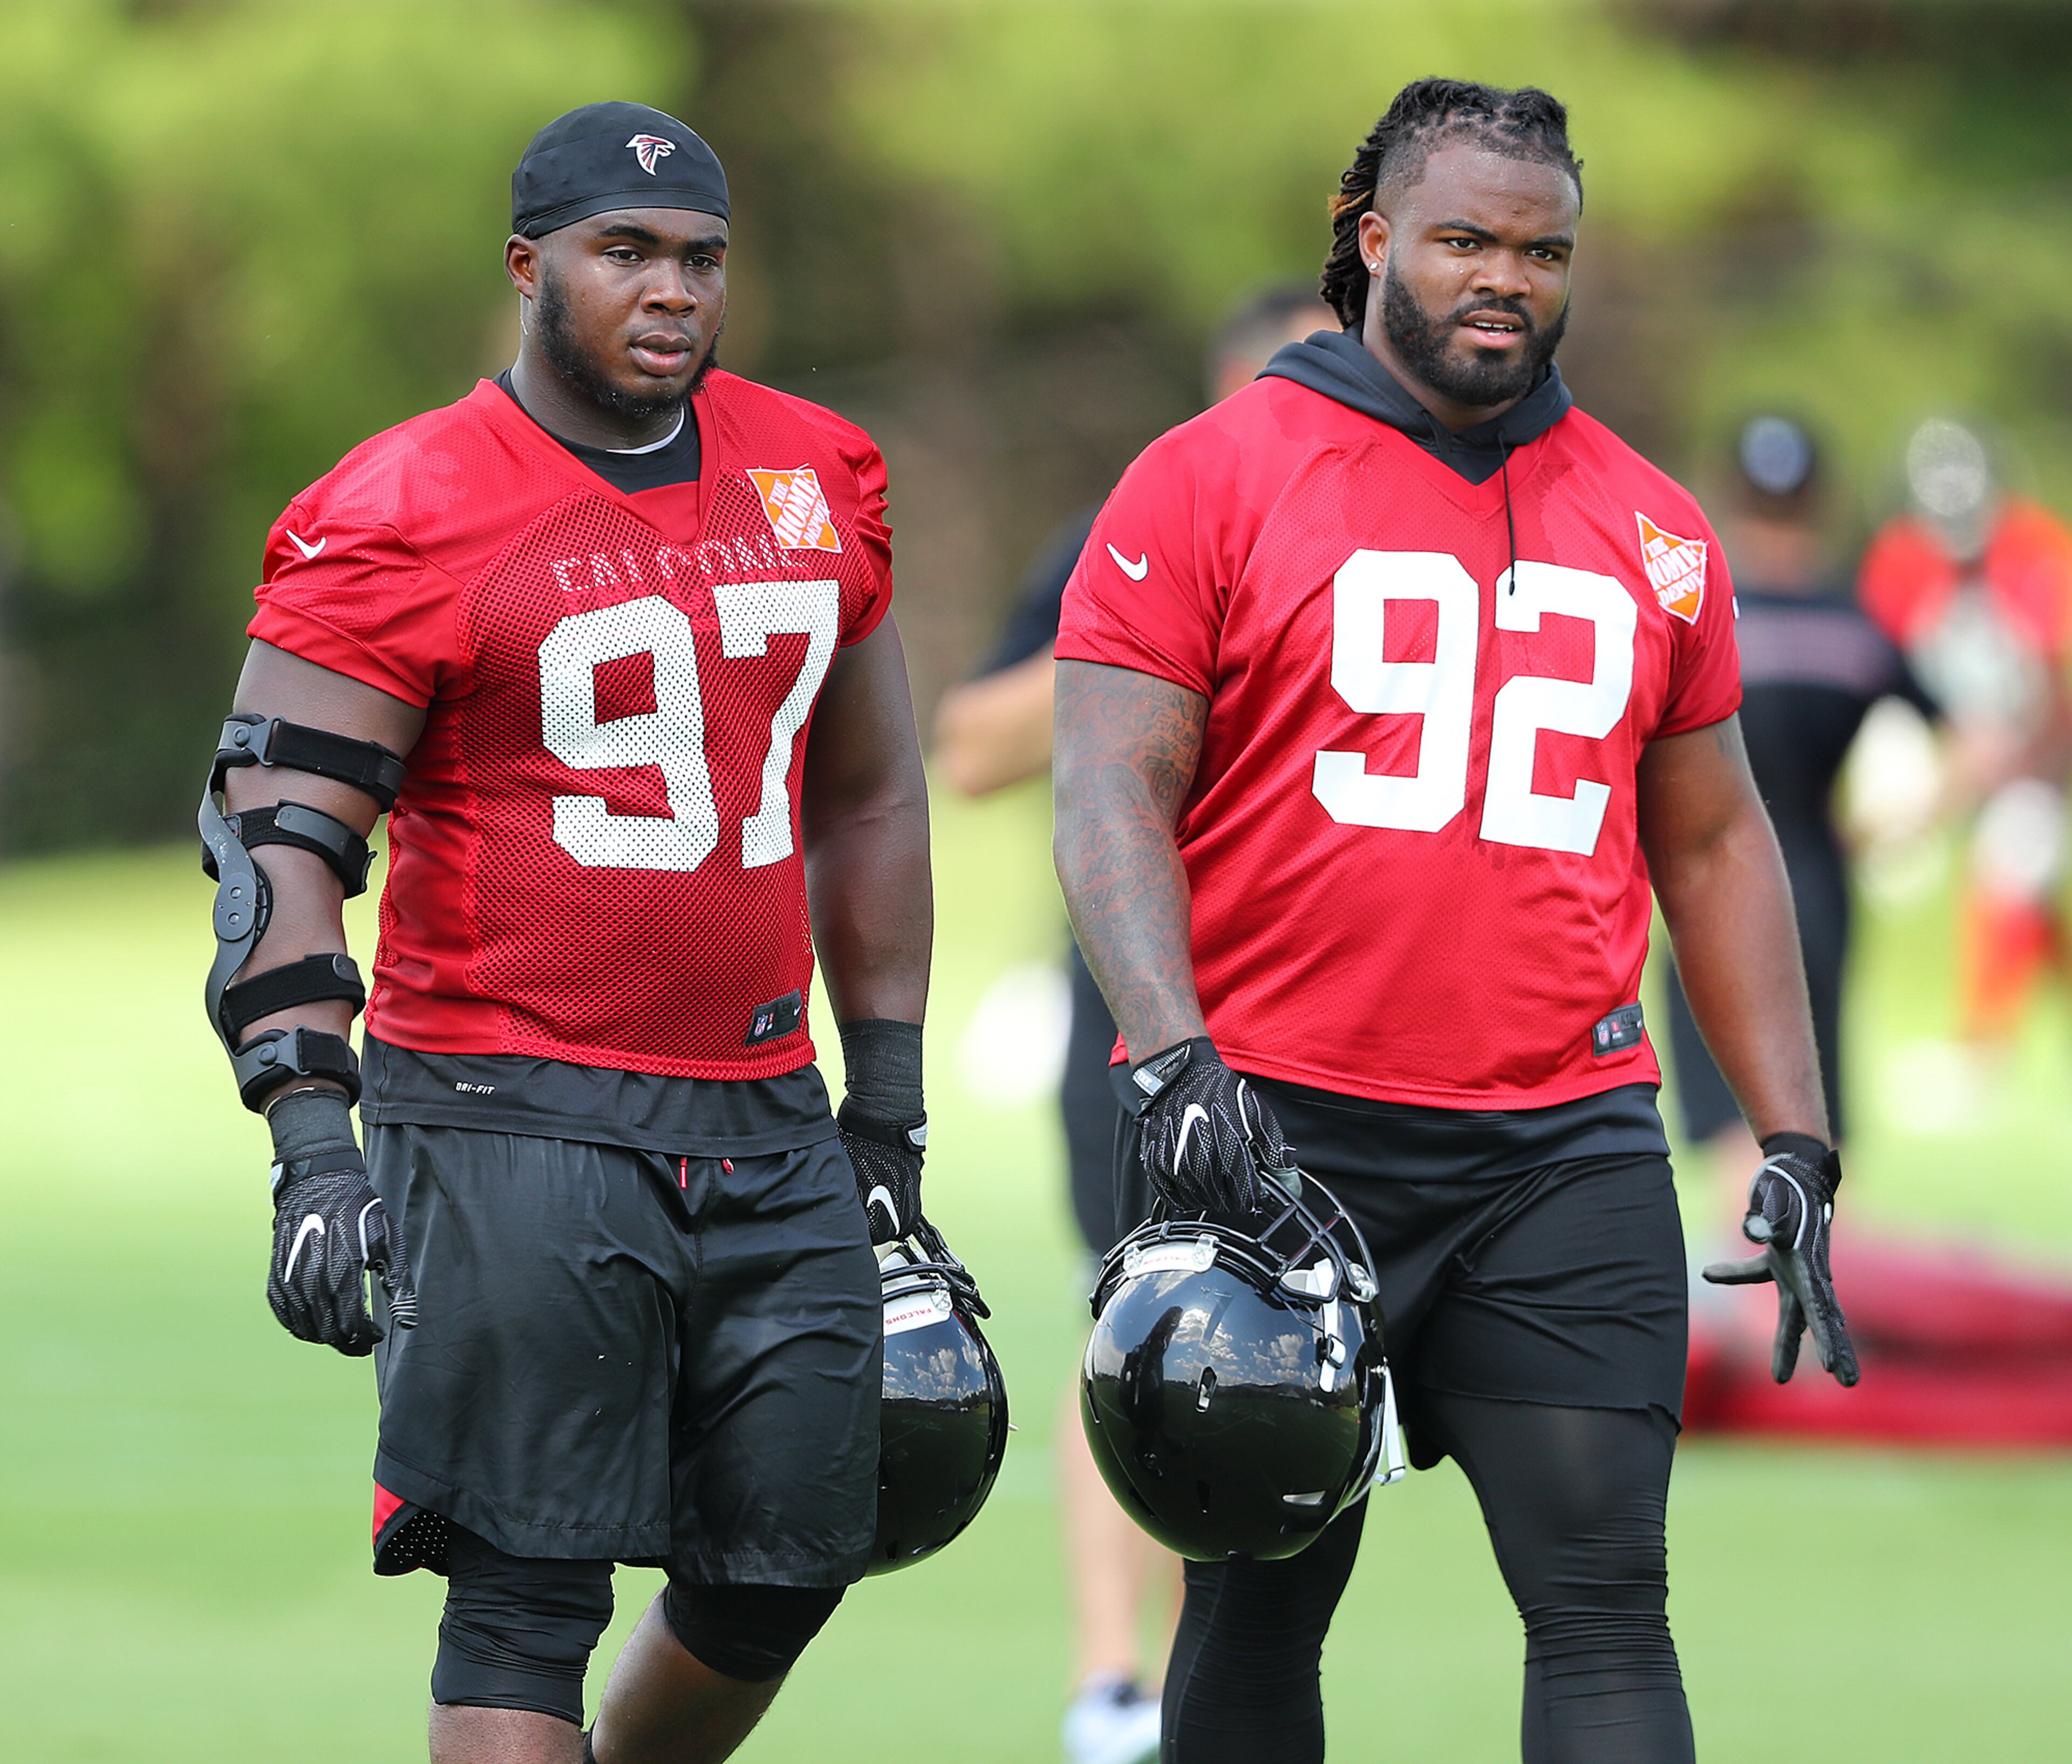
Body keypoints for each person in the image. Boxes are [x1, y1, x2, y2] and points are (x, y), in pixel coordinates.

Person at [1051, 79, 1856, 1764]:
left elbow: (1710, 843)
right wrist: (1174, 1057)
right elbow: (1106, 791)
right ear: (1371, 245)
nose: (1505, 277)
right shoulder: (1212, 474)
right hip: (1273, 1125)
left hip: (1555, 1145)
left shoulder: (1651, 525)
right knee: (1257, 1595)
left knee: (1603, 1599)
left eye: (1541, 250)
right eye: (1465, 240)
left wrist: (1791, 1132)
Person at [198, 102, 931, 1764]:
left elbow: (869, 797)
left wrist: (883, 1096)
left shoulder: (817, 471)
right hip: (506, 1104)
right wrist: (311, 1146)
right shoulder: (402, 505)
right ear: (531, 269)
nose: (670, 291)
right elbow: (272, 842)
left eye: (699, 258)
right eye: (624, 253)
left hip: (765, 1109)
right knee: (527, 1590)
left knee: (801, 1549)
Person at [933, 284, 1331, 1764]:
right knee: (1145, 1323)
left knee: (1304, 1360)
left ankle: (1211, 1688)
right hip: (1144, 1019)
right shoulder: (1146, 525)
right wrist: (1160, 620)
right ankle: (1116, 1691)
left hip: (1336, 1027)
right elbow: (970, 747)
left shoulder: (1403, 533)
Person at [1662, 415, 1937, 1205]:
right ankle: (1814, 1291)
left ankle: (1756, 1295)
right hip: (1817, 871)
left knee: (1724, 1104)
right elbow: (1979, 735)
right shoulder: (1853, 626)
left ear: (1732, 496)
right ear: (1817, 500)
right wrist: (1899, 821)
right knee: (1812, 1092)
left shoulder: (1703, 615)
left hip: (1710, 873)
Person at [1858, 419, 2072, 1051]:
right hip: (1940, 733)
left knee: (2012, 869)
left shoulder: (2035, 550)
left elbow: (2047, 686)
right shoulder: (1899, 558)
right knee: (1897, 862)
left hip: (2032, 747)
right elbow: (1876, 672)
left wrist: (1993, 762)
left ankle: (1981, 1044)